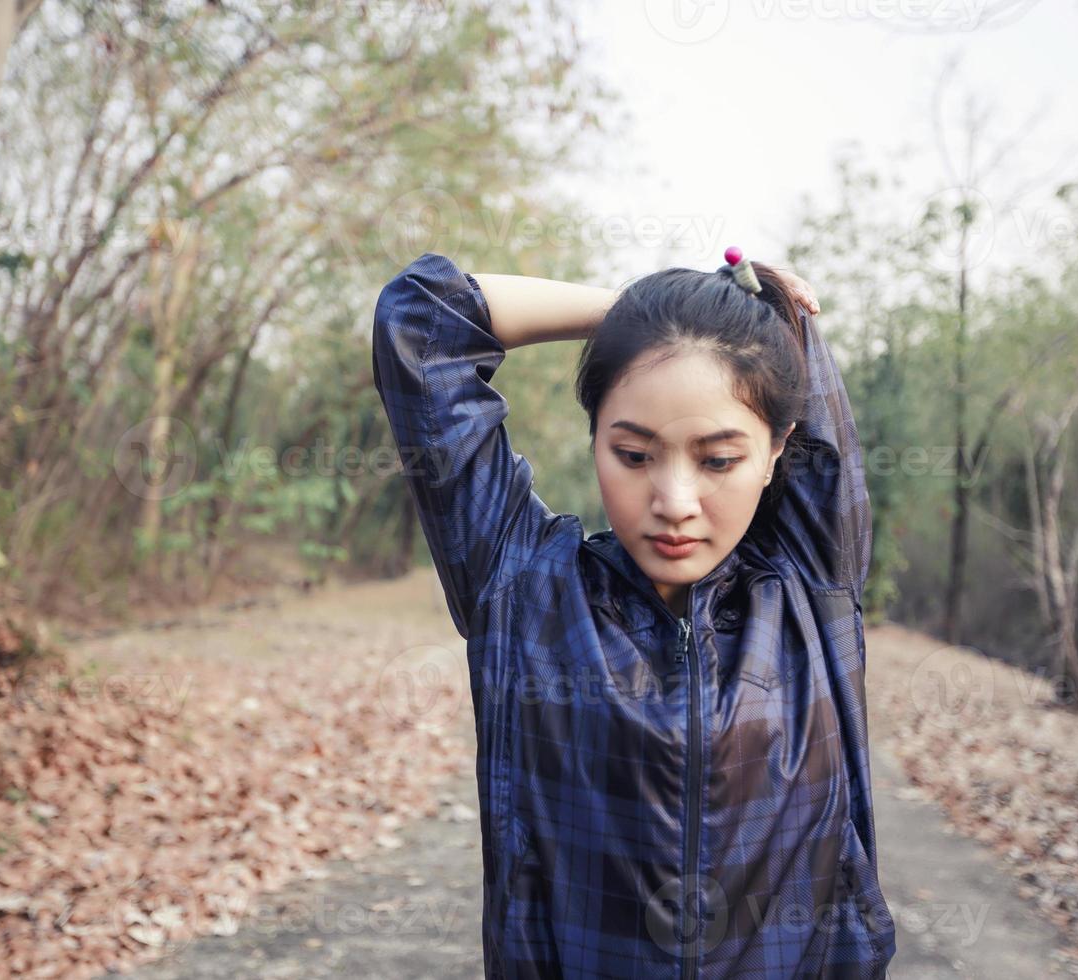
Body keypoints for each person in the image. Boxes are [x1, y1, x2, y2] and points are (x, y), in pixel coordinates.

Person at [371, 246, 896, 979]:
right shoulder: (521, 585)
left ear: (779, 451)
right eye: (635, 454)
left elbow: (798, 352)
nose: (674, 503)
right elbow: (424, 319)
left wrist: (744, 309)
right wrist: (638, 309)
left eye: (718, 460)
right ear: (596, 441)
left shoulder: (810, 584)